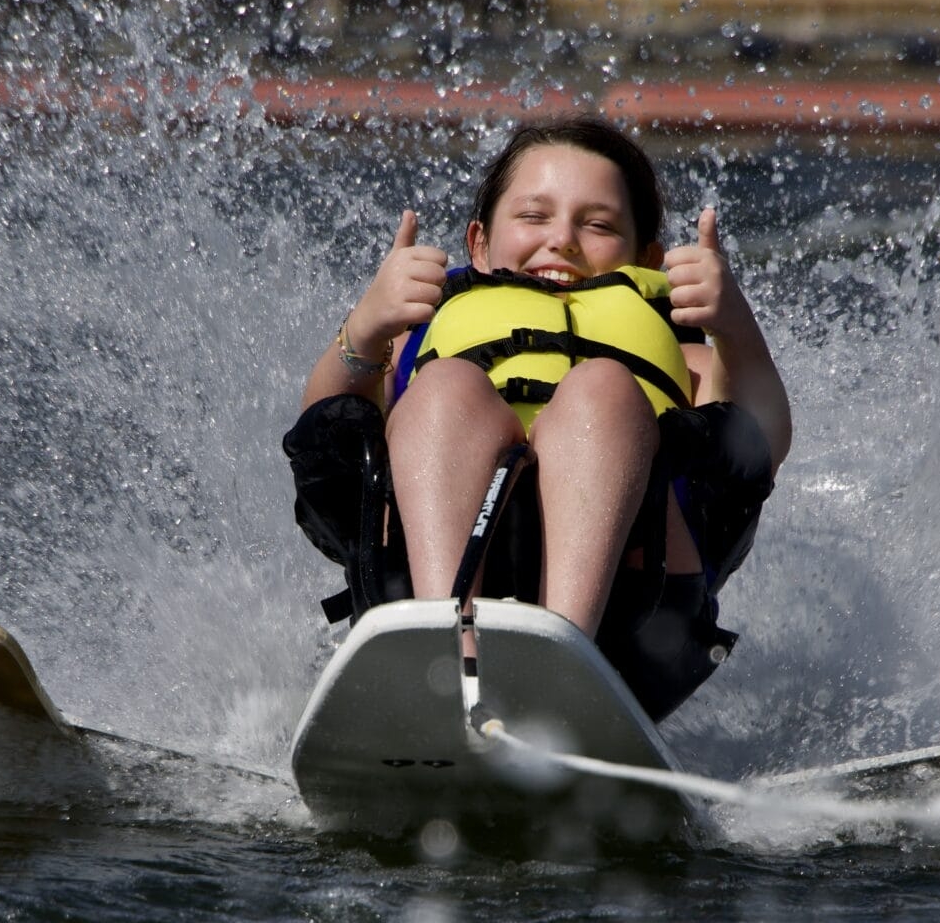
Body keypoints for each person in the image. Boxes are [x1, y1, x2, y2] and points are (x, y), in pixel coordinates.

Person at [285, 117, 791, 720]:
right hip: (422, 584)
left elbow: (762, 439)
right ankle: (451, 653)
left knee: (604, 387)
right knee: (445, 383)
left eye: (598, 224)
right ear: (479, 243)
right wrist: (366, 327)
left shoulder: (689, 359)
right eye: (533, 216)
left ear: (647, 257)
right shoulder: (409, 338)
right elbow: (324, 418)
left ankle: (562, 663)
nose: (563, 240)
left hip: (635, 611)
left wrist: (735, 326)